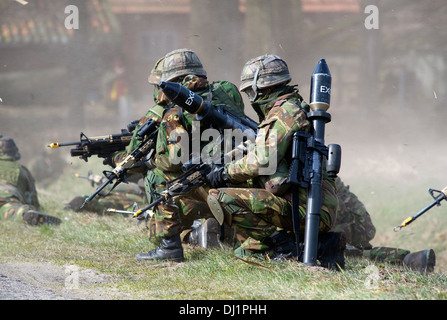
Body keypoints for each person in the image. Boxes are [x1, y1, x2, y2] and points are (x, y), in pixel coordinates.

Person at [205, 54, 344, 270]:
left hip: (307, 208)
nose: (251, 99)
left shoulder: (284, 113)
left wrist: (224, 173)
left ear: (265, 88)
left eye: (251, 91)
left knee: (220, 198)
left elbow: (262, 159)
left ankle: (287, 248)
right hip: (307, 205)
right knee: (245, 252)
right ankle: (321, 245)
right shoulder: (292, 109)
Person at [135, 48, 247, 262]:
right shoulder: (228, 90)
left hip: (208, 182)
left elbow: (174, 162)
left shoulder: (174, 113)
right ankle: (217, 230)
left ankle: (169, 247)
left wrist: (152, 158)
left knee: (156, 176)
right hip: (241, 175)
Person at [333, 177, 436, 273]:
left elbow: (366, 231)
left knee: (342, 252)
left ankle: (409, 261)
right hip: (347, 230)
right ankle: (409, 260)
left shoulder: (326, 177)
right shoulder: (325, 171)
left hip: (349, 230)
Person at [0, 135, 61, 226]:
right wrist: (33, 210)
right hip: (7, 199)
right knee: (12, 211)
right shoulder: (22, 170)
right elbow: (32, 199)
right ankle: (24, 215)